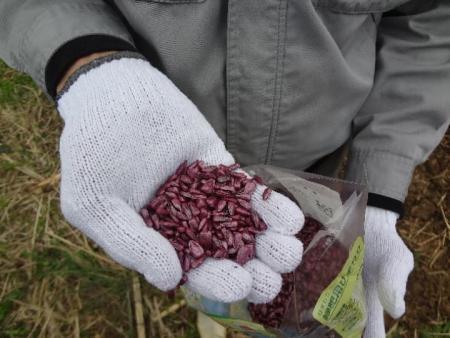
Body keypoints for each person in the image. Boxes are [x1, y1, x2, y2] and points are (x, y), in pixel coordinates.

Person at [1, 1, 449, 337]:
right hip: (157, 139)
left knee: (284, 238)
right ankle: (212, 308)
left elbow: (432, 19)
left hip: (313, 155)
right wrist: (89, 63)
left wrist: (381, 187)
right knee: (209, 268)